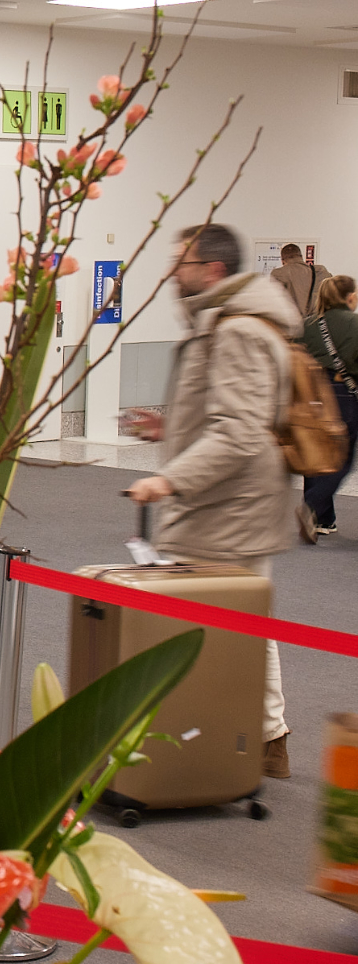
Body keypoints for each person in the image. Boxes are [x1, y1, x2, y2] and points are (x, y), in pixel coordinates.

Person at [124, 223, 298, 778]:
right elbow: (228, 415)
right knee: (244, 623)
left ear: (214, 270)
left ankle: (235, 743)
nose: (174, 272)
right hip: (226, 505)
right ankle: (263, 739)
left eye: (182, 262)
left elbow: (240, 432)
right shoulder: (225, 323)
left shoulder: (238, 330)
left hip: (228, 509)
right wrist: (170, 429)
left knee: (219, 627)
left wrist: (168, 480)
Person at [300, 274, 358, 537]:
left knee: (315, 455)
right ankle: (311, 506)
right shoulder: (354, 324)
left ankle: (324, 519)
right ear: (350, 297)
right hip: (343, 394)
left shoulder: (306, 325)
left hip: (311, 394)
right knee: (340, 458)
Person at [267, 243, 329, 323]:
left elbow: (275, 302)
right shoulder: (321, 271)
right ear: (301, 257)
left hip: (292, 325)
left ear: (283, 260)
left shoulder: (278, 273)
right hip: (317, 325)